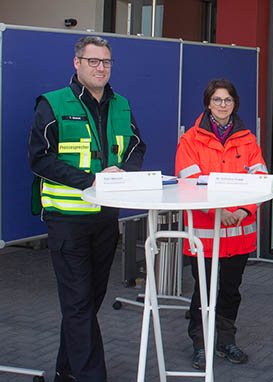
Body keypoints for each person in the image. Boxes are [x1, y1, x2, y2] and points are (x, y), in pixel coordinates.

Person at [28, 35, 146, 382]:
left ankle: (67, 370)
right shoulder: (52, 104)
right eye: (93, 61)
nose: (100, 68)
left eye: (106, 62)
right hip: (67, 221)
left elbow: (137, 147)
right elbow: (39, 159)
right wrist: (92, 180)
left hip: (106, 219)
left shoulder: (121, 104)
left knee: (89, 302)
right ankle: (91, 376)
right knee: (78, 304)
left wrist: (123, 173)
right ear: (77, 63)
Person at [175, 78, 268, 370]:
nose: (222, 105)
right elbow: (188, 183)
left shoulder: (248, 139)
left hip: (238, 233)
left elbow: (261, 179)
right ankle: (201, 344)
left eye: (227, 100)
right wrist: (218, 213)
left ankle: (226, 341)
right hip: (205, 234)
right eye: (217, 100)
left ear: (235, 103)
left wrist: (241, 210)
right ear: (208, 103)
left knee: (231, 290)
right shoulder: (191, 140)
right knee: (202, 292)